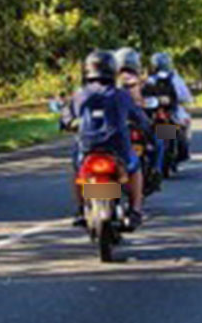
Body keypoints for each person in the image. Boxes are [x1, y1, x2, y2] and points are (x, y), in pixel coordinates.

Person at [62, 50, 150, 228]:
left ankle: (80, 209)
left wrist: (70, 123)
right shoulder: (121, 95)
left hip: (87, 147)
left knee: (77, 170)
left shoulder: (80, 94)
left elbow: (65, 118)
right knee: (134, 169)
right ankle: (136, 209)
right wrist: (144, 125)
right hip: (117, 147)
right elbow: (140, 118)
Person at [146, 52, 194, 162]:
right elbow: (185, 95)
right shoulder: (175, 78)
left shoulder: (151, 79)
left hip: (158, 112)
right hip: (168, 111)